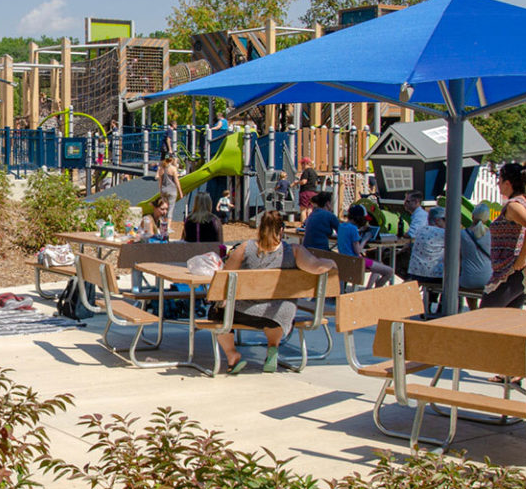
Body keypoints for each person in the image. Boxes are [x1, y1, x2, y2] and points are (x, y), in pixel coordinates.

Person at [211, 210, 337, 374]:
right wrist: (331, 261)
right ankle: (273, 346)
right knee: (282, 309)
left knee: (215, 312)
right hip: (279, 315)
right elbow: (317, 268)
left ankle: (232, 355)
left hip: (243, 312)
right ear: (282, 230)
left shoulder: (245, 248)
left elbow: (224, 277)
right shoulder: (295, 251)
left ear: (259, 228)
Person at [483, 160, 526, 309]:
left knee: (485, 315)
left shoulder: (514, 206)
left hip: (511, 271)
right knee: (508, 318)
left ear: (508, 183)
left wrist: (522, 260)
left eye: (500, 181)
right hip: (520, 273)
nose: (498, 185)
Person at [337, 203, 394, 289]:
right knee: (389, 271)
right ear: (360, 218)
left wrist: (359, 231)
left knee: (379, 264)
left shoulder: (341, 226)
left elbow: (349, 239)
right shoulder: (353, 229)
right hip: (356, 262)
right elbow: (358, 250)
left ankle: (369, 289)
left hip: (344, 261)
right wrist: (365, 239)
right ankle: (372, 289)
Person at [406, 206, 448, 280]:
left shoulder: (421, 230)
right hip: (433, 276)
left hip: (414, 274)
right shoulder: (443, 233)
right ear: (437, 220)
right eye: (445, 220)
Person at [460, 203, 494, 290]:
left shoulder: (462, 234)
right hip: (488, 279)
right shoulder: (492, 235)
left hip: (468, 279)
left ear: (472, 216)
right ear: (486, 220)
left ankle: (472, 304)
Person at [157, 153, 183, 222]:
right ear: (171, 160)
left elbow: (160, 182)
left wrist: (160, 191)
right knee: (170, 209)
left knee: (164, 208)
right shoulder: (173, 169)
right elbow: (177, 181)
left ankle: (163, 224)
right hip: (172, 190)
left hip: (163, 190)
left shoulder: (161, 169)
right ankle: (168, 227)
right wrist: (180, 192)